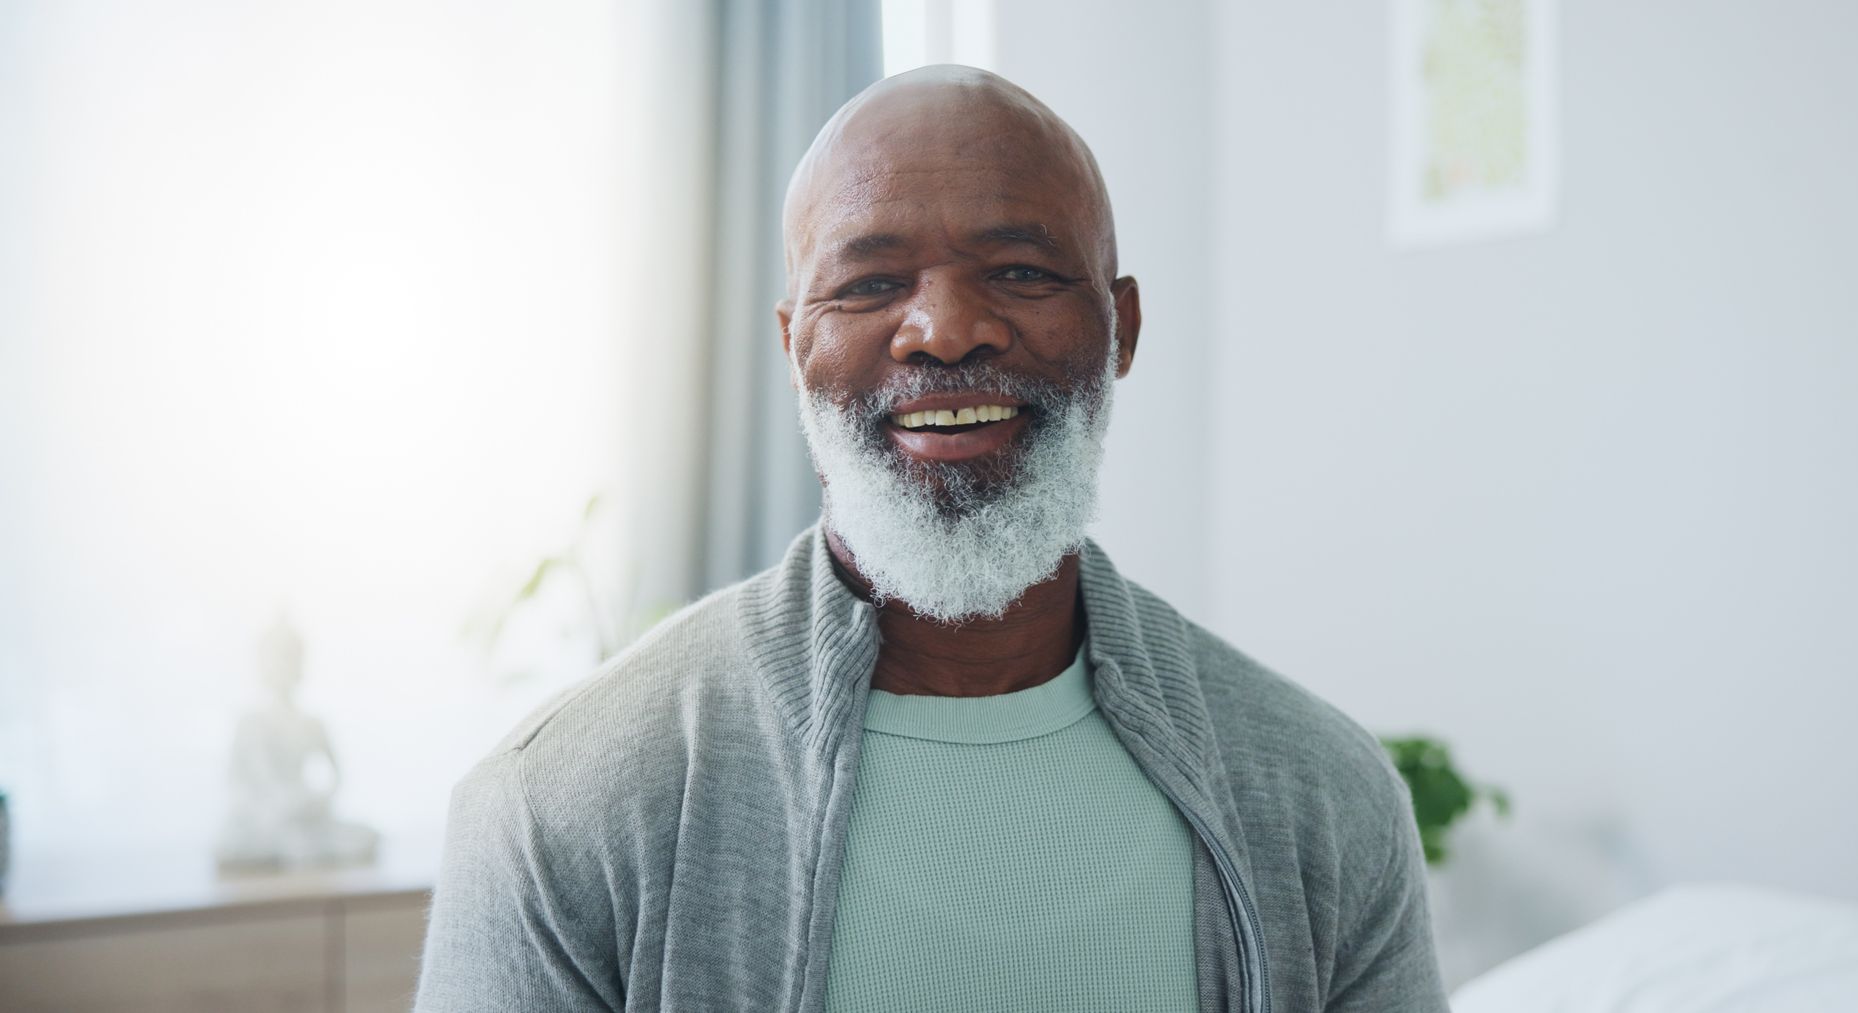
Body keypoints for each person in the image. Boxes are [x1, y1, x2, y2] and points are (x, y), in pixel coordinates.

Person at [415, 65, 1448, 1013]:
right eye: (869, 284)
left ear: (1122, 329)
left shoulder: (1322, 797)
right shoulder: (561, 807)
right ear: (793, 347)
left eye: (1022, 272)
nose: (947, 330)